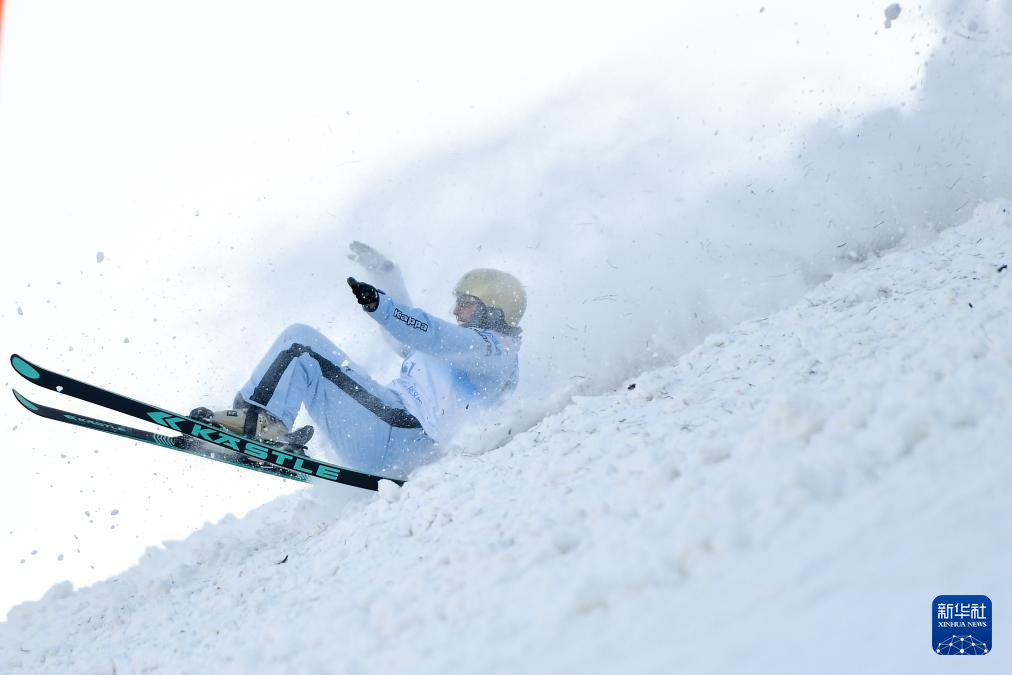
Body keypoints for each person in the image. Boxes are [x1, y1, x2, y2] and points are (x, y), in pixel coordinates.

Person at [194, 242, 526, 479]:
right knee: (304, 354)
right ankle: (254, 427)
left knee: (300, 343)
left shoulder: (496, 352)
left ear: (493, 309)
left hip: (401, 432)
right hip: (385, 433)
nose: (456, 311)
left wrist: (383, 306)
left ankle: (258, 426)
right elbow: (407, 338)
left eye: (466, 303)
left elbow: (434, 334)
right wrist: (386, 275)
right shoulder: (453, 353)